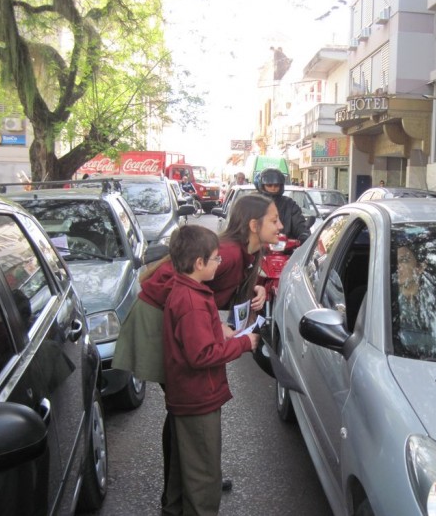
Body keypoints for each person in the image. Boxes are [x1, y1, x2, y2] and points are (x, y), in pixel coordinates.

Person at [111, 193, 282, 510]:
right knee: (184, 409)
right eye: (274, 220)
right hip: (159, 316)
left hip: (179, 318)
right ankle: (191, 482)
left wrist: (258, 284)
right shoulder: (226, 255)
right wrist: (217, 330)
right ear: (253, 225)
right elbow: (185, 287)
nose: (280, 225)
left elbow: (221, 285)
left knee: (183, 411)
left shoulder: (241, 253)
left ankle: (191, 481)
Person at [162, 225, 259, 516]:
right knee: (204, 474)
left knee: (183, 468)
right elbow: (201, 355)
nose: (219, 263)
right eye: (216, 258)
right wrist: (244, 343)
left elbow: (196, 338)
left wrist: (219, 331)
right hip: (198, 399)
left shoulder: (186, 290)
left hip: (186, 396)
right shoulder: (192, 302)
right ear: (199, 263)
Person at [256, 167, 310, 243]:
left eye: (276, 185)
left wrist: (304, 234)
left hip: (286, 247)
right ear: (262, 186)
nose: (273, 188)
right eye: (269, 185)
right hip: (259, 247)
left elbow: (299, 224)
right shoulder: (255, 203)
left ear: (281, 186)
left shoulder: (289, 204)